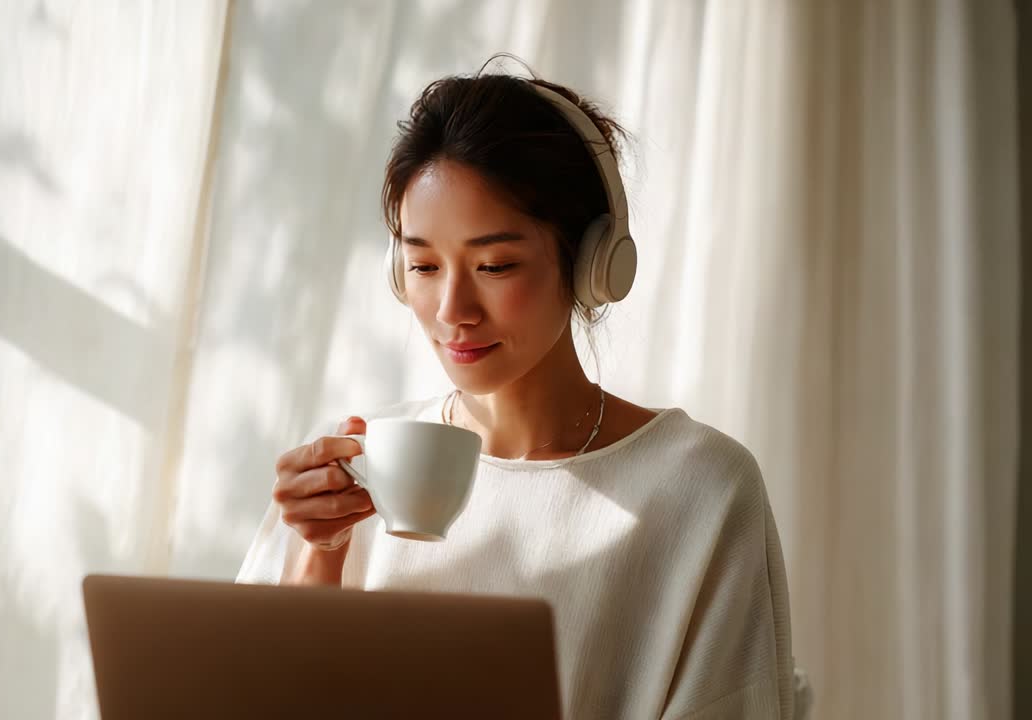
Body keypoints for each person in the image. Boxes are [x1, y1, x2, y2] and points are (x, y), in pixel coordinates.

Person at [237, 60, 796, 719]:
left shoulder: (701, 487)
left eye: (495, 264)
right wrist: (319, 555)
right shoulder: (351, 469)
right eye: (422, 264)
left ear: (594, 264)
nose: (452, 308)